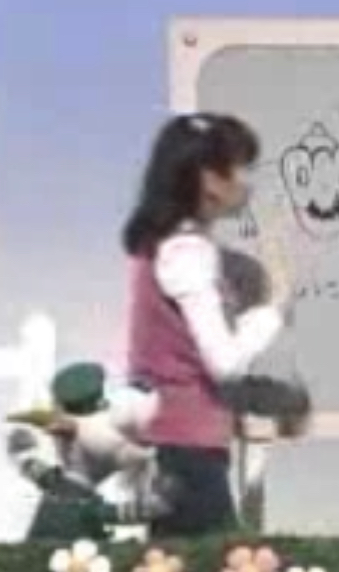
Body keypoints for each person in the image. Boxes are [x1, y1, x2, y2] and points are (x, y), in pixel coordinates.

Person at [121, 112, 285, 537]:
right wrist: (272, 311)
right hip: (186, 450)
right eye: (239, 168)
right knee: (223, 568)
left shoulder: (164, 244)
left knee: (182, 568)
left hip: (175, 445)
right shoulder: (186, 252)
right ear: (209, 179)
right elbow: (224, 363)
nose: (246, 182)